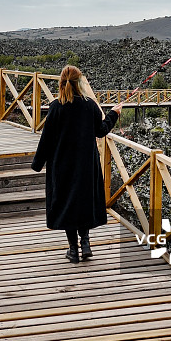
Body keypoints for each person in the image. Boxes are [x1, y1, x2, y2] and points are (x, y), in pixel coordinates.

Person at [31, 65, 123, 263]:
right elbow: (101, 130)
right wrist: (114, 113)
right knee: (83, 201)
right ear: (79, 82)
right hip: (85, 166)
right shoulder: (89, 105)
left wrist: (37, 164)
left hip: (62, 166)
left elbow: (46, 140)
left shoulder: (55, 107)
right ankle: (86, 243)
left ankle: (73, 250)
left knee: (66, 204)